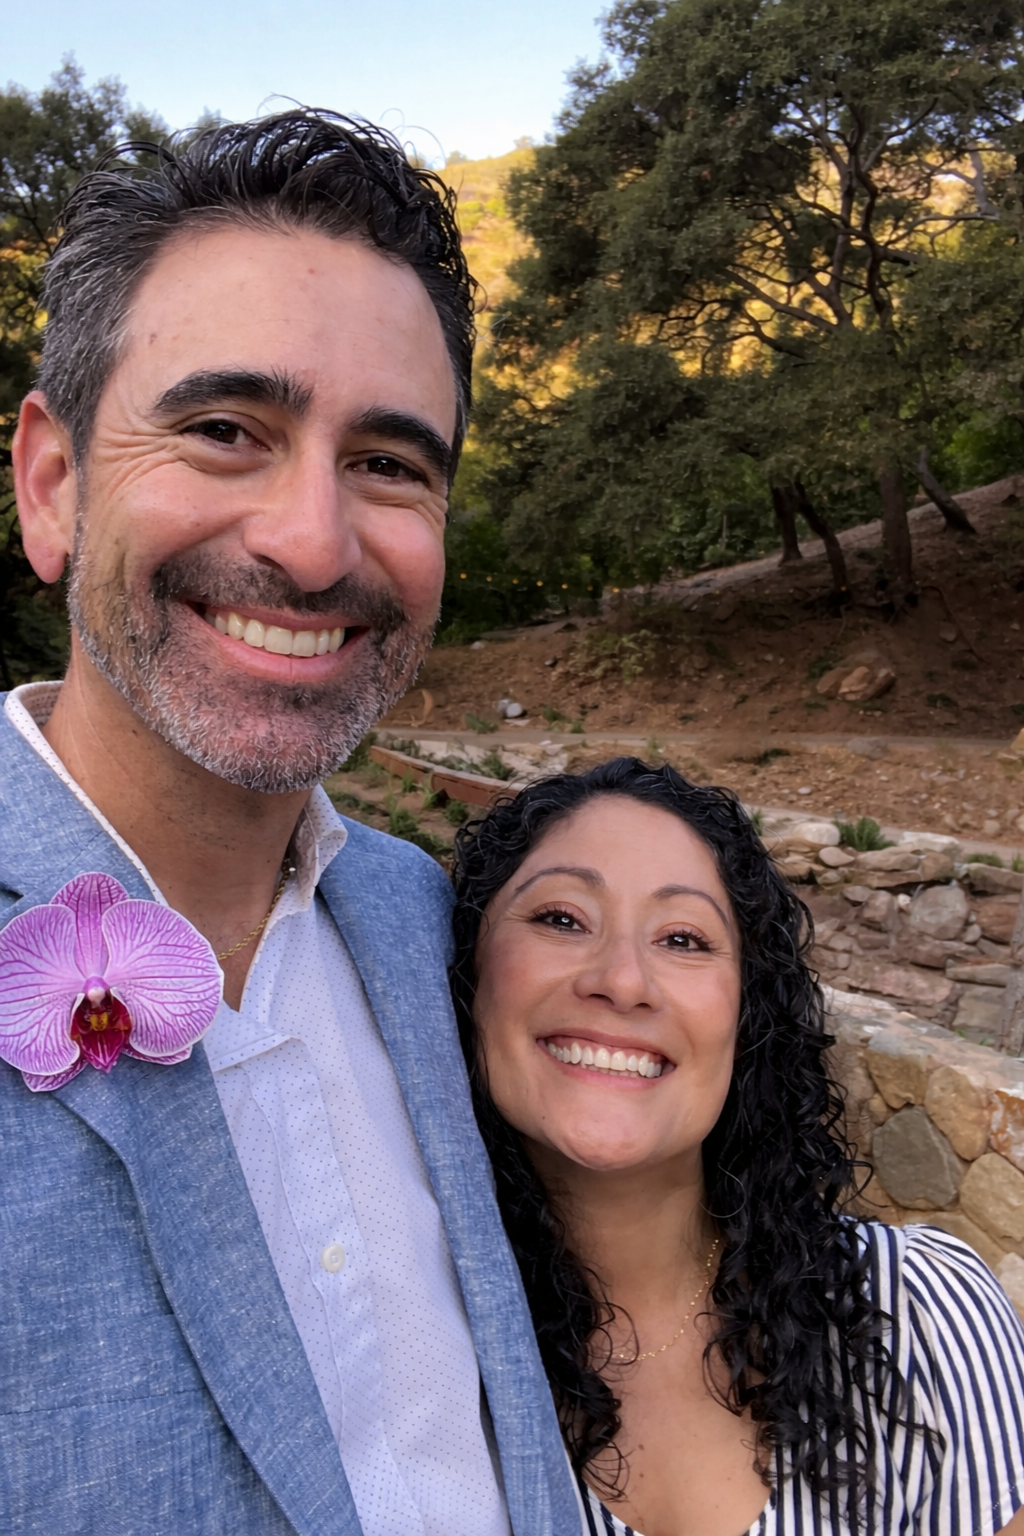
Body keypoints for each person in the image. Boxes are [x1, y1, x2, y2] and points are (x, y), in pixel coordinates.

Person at [0, 111, 580, 1536]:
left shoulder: (428, 927)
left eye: (389, 463)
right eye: (222, 430)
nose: (314, 544)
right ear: (53, 483)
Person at [450, 757, 1024, 1536]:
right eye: (560, 918)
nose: (623, 981)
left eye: (684, 938)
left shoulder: (921, 1318)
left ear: (748, 1014)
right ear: (465, 973)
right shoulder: (406, 1359)